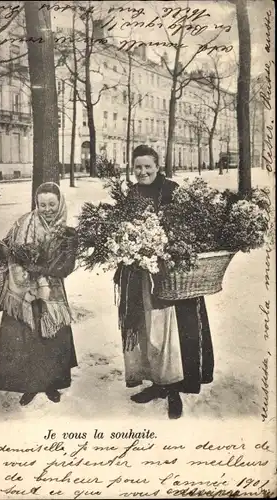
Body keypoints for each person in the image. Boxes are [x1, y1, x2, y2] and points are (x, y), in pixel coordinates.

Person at [114, 145, 214, 419]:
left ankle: (175, 387)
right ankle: (156, 381)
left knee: (171, 330)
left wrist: (165, 246)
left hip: (170, 277)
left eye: (148, 166)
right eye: (138, 167)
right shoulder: (130, 194)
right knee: (147, 327)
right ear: (132, 169)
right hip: (140, 274)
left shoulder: (172, 190)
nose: (143, 171)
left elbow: (187, 227)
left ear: (158, 166)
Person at [0, 182, 78, 406]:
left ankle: (51, 384)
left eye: (52, 204)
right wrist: (15, 256)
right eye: (42, 204)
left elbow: (66, 268)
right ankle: (29, 385)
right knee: (26, 337)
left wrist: (38, 269)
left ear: (60, 204)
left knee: (51, 337)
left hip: (52, 294)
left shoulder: (67, 234)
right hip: (23, 292)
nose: (46, 209)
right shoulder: (23, 223)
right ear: (36, 204)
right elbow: (5, 246)